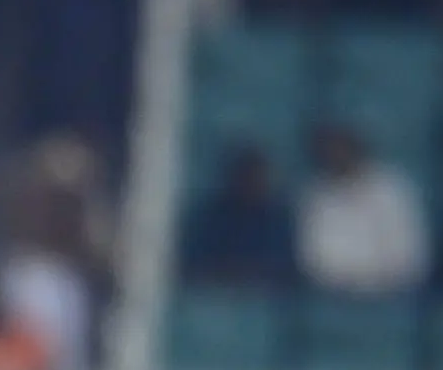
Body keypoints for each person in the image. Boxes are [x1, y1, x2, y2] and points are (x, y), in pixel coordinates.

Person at [297, 123, 428, 296]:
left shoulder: (392, 187)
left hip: (395, 292)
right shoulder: (316, 198)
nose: (338, 157)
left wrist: (379, 280)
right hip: (339, 296)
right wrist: (355, 282)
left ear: (357, 149)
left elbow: (410, 251)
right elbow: (316, 261)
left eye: (343, 150)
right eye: (330, 153)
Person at [180, 144, 296, 288]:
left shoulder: (278, 220)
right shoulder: (212, 218)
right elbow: (194, 264)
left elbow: (287, 269)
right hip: (215, 292)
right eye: (247, 177)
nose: (253, 183)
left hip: (265, 294)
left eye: (258, 178)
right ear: (235, 178)